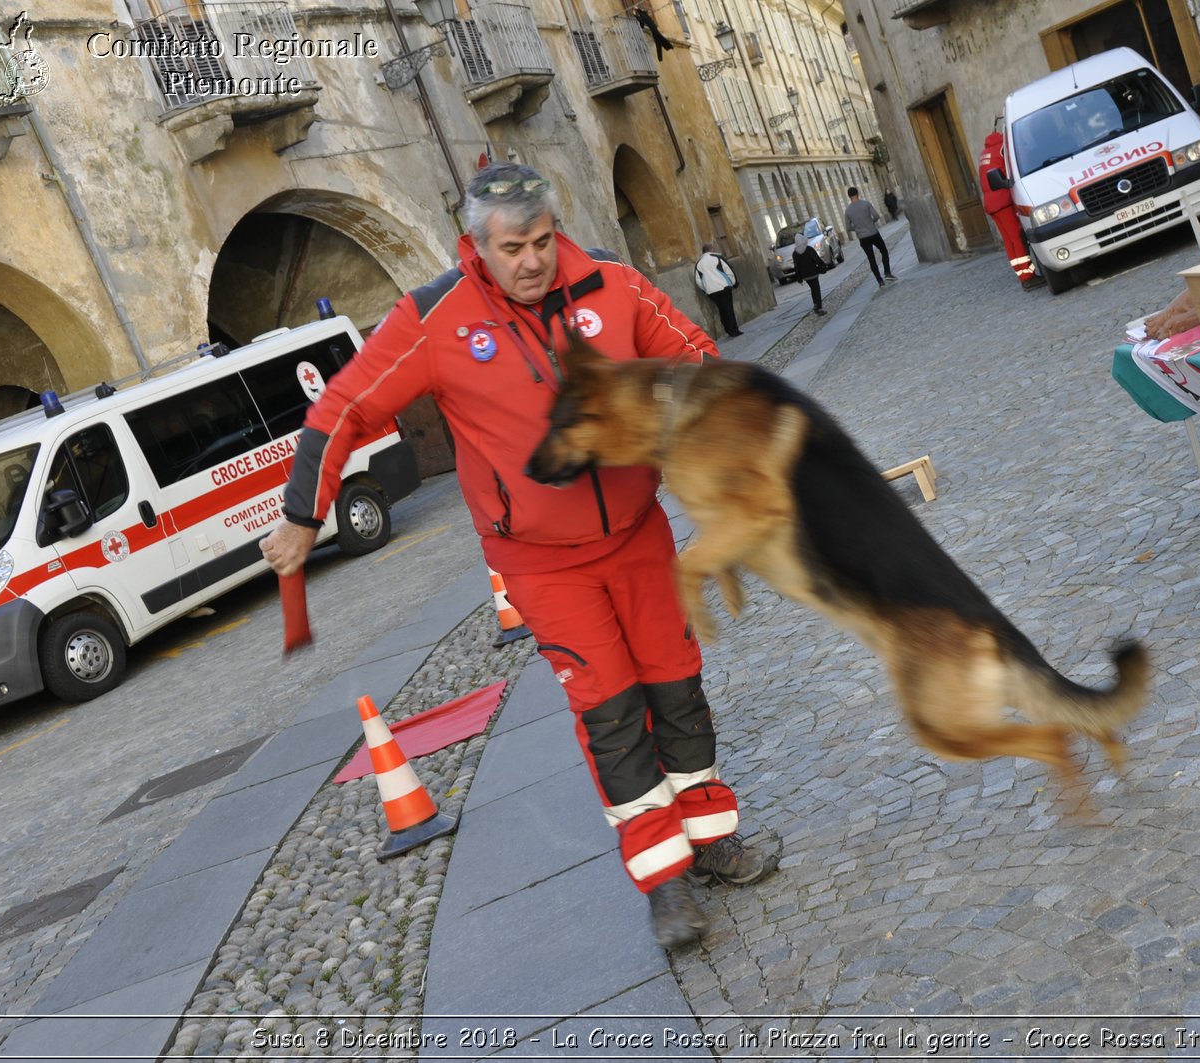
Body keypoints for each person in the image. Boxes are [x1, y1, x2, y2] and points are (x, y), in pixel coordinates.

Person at [259, 162, 781, 950]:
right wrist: (304, 511)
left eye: (542, 241)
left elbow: (698, 363)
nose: (532, 260)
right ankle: (663, 880)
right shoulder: (436, 318)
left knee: (676, 686)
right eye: (512, 248)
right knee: (609, 709)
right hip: (541, 562)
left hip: (637, 533)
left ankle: (712, 839)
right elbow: (344, 407)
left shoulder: (612, 285)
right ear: (476, 245)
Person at [977, 131, 1043, 290]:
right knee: (1017, 238)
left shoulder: (985, 153)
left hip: (991, 203)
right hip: (1003, 199)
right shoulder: (1002, 148)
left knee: (1008, 240)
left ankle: (1021, 274)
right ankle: (1028, 277)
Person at [844, 186, 895, 285]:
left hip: (863, 237)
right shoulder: (866, 204)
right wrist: (871, 222)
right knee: (883, 250)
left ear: (849, 196)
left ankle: (879, 281)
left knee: (871, 258)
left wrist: (857, 228)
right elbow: (876, 216)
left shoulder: (848, 211)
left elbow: (848, 227)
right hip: (873, 233)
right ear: (857, 194)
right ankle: (887, 273)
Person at [693, 242, 743, 339]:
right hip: (723, 287)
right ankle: (734, 330)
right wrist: (734, 283)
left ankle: (728, 329)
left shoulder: (699, 264)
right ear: (711, 249)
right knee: (728, 309)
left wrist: (705, 289)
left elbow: (698, 280)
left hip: (711, 291)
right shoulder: (717, 258)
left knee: (721, 309)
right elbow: (728, 270)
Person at [792, 232, 828, 316]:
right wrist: (823, 267)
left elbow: (796, 267)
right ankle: (819, 307)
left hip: (805, 276)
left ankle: (815, 304)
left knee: (813, 289)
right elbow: (816, 259)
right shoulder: (809, 249)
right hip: (813, 273)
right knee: (816, 289)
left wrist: (799, 278)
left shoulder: (795, 253)